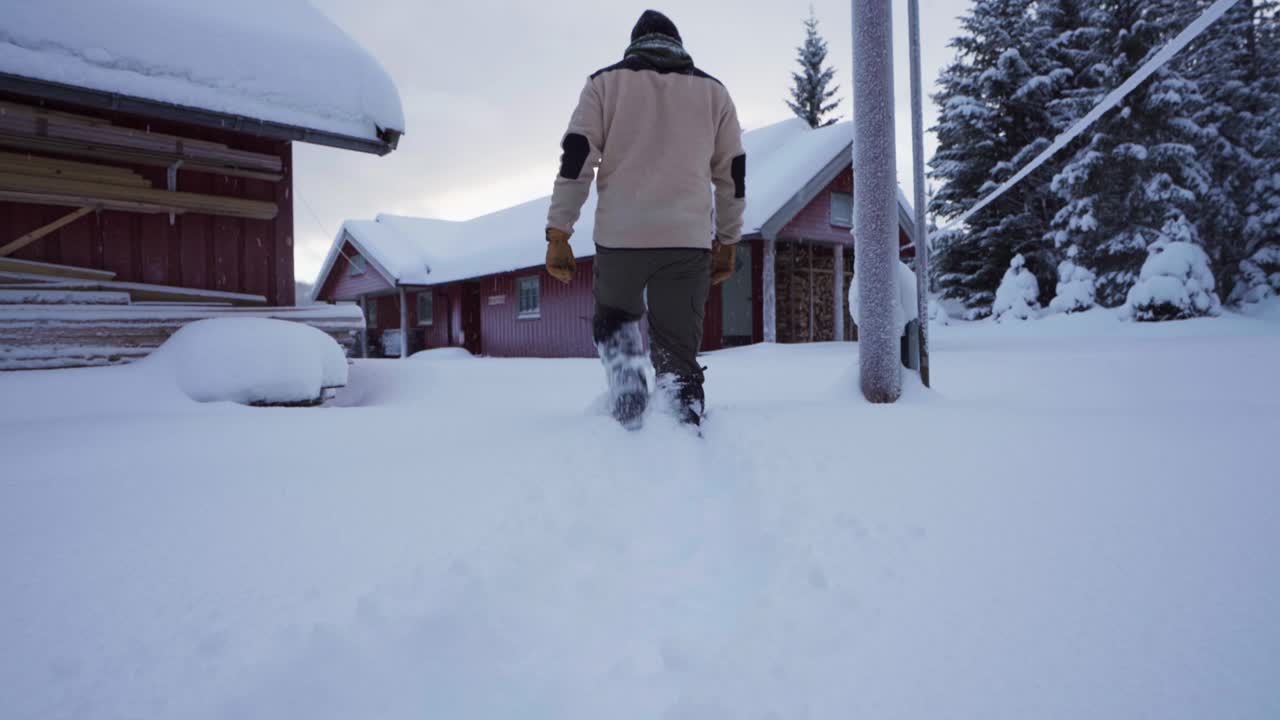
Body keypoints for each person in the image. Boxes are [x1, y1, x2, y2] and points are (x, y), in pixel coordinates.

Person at [544, 9, 746, 430]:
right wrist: (728, 240)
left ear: (633, 44)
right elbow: (732, 173)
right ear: (679, 44)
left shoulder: (604, 85)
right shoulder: (714, 94)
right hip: (686, 242)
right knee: (677, 349)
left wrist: (559, 231)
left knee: (615, 320)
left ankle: (628, 401)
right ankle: (682, 416)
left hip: (621, 241)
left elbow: (576, 160)